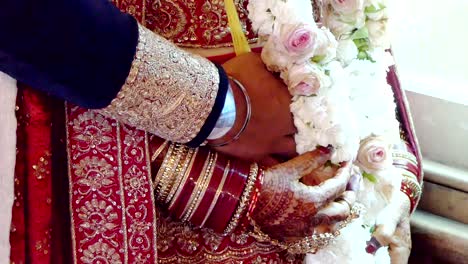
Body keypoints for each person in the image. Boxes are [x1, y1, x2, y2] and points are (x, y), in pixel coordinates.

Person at [0, 0, 423, 263]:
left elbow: (355, 30)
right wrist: (227, 111)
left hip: (334, 205)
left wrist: (388, 169)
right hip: (149, 202)